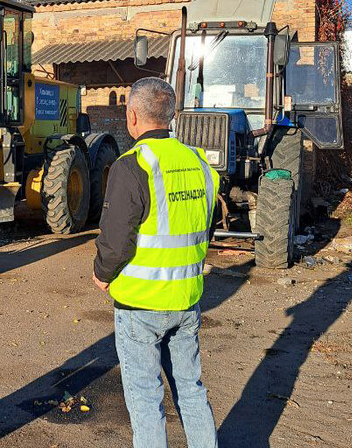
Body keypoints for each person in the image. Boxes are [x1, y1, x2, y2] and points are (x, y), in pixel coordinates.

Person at [92, 77, 220, 448]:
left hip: (139, 305)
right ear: (172, 116)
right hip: (186, 300)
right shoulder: (199, 163)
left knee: (147, 400)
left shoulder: (131, 166)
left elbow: (116, 239)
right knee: (191, 391)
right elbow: (203, 228)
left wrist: (102, 273)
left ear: (132, 116)